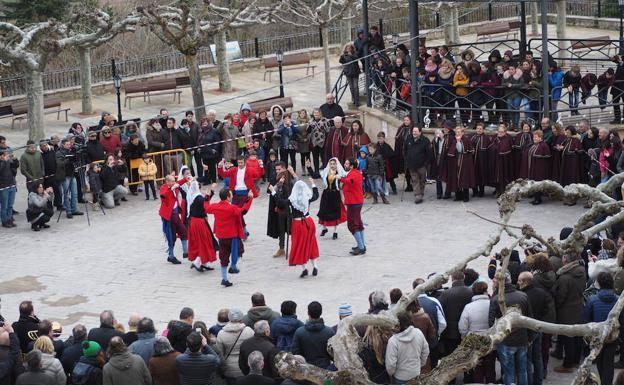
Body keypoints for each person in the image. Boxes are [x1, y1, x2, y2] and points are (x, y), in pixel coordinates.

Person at [488, 272, 532, 385]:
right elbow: (529, 318)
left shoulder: (495, 299)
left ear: (499, 282)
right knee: (523, 371)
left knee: (509, 372)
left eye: (494, 279)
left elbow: (491, 323)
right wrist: (529, 338)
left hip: (505, 341)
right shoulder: (523, 296)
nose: (492, 281)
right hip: (522, 339)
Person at [205, 188, 253, 287]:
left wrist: (207, 197)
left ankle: (224, 278)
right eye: (231, 195)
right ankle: (233, 266)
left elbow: (206, 207)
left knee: (224, 256)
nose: (232, 196)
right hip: (232, 236)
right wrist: (250, 199)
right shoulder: (232, 208)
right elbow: (243, 211)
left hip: (221, 236)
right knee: (239, 250)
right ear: (228, 197)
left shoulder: (216, 206)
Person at [272, 179, 320, 277]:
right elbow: (316, 195)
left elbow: (280, 202)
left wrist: (274, 192)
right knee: (311, 243)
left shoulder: (292, 200)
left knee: (299, 245)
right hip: (309, 222)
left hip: (298, 224)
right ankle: (315, 266)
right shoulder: (307, 197)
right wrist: (313, 184)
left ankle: (304, 268)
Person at [517, 272, 555, 385]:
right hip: (538, 327)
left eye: (519, 281)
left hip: (526, 330)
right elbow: (546, 310)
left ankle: (529, 381)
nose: (517, 283)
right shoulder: (542, 293)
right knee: (537, 357)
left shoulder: (522, 295)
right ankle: (539, 380)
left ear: (524, 282)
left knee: (527, 358)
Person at [584, 272, 619, 385]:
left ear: (598, 284)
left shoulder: (592, 300)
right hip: (612, 336)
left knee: (600, 362)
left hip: (597, 336)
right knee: (609, 364)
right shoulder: (618, 300)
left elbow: (586, 320)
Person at [457, 282, 495, 384]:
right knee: (490, 365)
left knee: (477, 366)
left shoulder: (468, 307)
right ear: (486, 291)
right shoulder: (492, 303)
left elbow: (462, 326)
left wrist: (464, 337)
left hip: (474, 340)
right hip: (490, 338)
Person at [307, 157, 347, 239]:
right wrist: (309, 167)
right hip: (326, 194)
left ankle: (335, 232)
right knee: (323, 211)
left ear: (336, 164)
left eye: (334, 164)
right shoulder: (325, 172)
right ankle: (324, 228)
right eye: (331, 164)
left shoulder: (340, 173)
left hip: (335, 194)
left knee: (336, 213)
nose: (332, 165)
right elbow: (315, 175)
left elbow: (348, 179)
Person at [385, 312, 430, 385]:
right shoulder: (418, 333)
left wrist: (393, 374)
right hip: (416, 374)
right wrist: (419, 364)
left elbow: (390, 365)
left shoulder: (393, 341)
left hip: (400, 378)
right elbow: (426, 351)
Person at [438, 271, 473, 357]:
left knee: (451, 357)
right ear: (463, 278)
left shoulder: (445, 294)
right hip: (468, 330)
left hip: (450, 333)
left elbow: (439, 310)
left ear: (452, 279)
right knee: (466, 357)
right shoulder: (471, 292)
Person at [292, 301, 335, 369]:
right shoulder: (329, 332)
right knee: (327, 380)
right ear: (321, 313)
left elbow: (295, 353)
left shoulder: (299, 332)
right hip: (325, 370)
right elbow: (334, 354)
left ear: (308, 313)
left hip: (306, 371)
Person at [186, 181, 218, 272]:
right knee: (204, 242)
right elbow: (205, 204)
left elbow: (204, 201)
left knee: (202, 242)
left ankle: (204, 262)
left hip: (194, 222)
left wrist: (209, 193)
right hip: (199, 223)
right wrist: (210, 192)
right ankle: (197, 262)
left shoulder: (192, 196)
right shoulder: (198, 197)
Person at [216, 309, 254, 384]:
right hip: (245, 367)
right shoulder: (249, 331)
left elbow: (220, 354)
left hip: (228, 369)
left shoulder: (221, 334)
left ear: (229, 318)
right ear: (241, 318)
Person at [266, 161, 295, 257]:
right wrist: (279, 184)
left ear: (284, 168)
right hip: (280, 208)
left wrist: (293, 174)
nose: (278, 171)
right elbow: (273, 192)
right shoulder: (277, 178)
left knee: (293, 230)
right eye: (276, 169)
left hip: (290, 208)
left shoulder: (290, 177)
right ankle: (281, 248)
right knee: (281, 230)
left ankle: (295, 248)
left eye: (279, 169)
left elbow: (297, 186)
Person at [159, 175, 189, 265]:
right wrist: (172, 188)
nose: (174, 182)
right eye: (172, 181)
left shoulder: (174, 185)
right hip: (169, 215)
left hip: (175, 214)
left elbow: (178, 183)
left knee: (183, 231)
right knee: (171, 237)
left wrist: (185, 178)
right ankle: (171, 256)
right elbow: (164, 195)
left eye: (174, 181)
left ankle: (185, 252)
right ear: (167, 182)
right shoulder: (163, 188)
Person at [55, 139, 84, 219]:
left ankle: (74, 209)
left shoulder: (71, 151)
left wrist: (76, 158)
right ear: (63, 145)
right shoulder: (59, 153)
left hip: (72, 174)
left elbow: (75, 161)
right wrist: (68, 159)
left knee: (74, 194)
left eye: (69, 144)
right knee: (66, 194)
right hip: (65, 176)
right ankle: (68, 211)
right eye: (67, 144)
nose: (69, 146)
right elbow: (59, 164)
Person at [342, 158, 366, 255]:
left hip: (354, 202)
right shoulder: (355, 172)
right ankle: (362, 245)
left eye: (347, 164)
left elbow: (350, 181)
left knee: (352, 225)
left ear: (352, 166)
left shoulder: (354, 174)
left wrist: (339, 178)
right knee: (358, 224)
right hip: (355, 201)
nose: (345, 165)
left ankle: (361, 247)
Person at [403, 126, 432, 204]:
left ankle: (421, 193)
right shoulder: (408, 139)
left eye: (416, 131)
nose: (414, 133)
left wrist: (426, 164)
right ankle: (418, 195)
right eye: (413, 131)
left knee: (422, 181)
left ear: (420, 132)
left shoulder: (425, 141)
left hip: (422, 165)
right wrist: (407, 160)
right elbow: (404, 150)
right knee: (415, 180)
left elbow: (429, 154)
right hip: (411, 165)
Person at [340, 42, 361, 107]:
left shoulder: (355, 54)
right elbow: (341, 62)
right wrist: (342, 57)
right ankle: (353, 99)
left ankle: (357, 101)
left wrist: (351, 55)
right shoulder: (344, 55)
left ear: (352, 48)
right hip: (348, 73)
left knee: (355, 87)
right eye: (347, 48)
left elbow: (356, 59)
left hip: (355, 72)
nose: (348, 49)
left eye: (349, 48)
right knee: (351, 87)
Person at [0, 149, 17, 228]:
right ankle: (4, 221)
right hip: (3, 187)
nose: (7, 156)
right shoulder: (2, 162)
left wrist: (15, 159)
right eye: (5, 154)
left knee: (10, 205)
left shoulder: (8, 161)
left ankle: (9, 219)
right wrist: (4, 161)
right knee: (4, 206)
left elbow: (16, 166)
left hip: (11, 184)